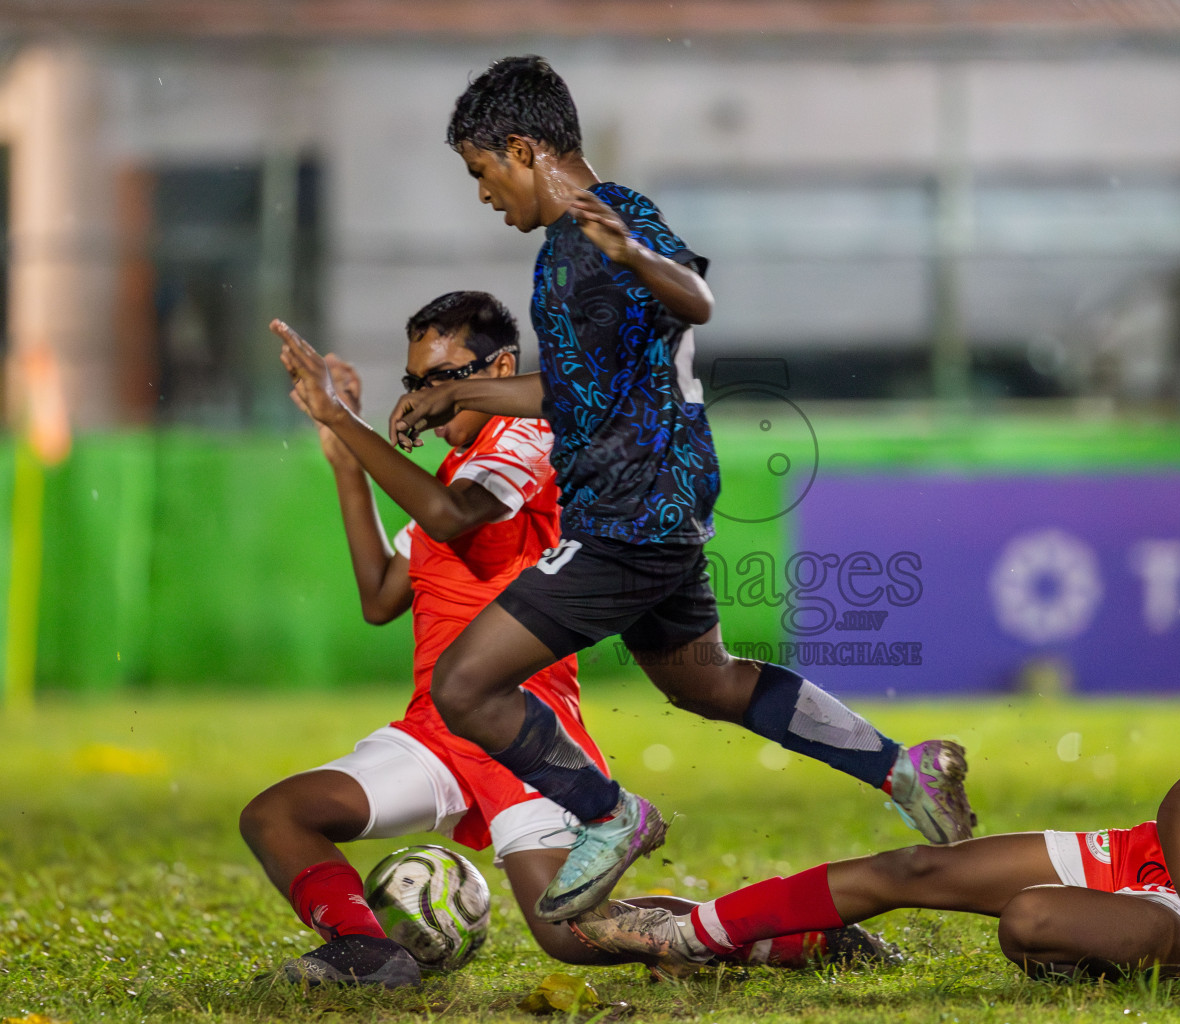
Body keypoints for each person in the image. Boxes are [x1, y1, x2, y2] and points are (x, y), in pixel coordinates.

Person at [383, 55, 975, 924]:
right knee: (707, 683)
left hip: (629, 516)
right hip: (656, 508)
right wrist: (459, 392)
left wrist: (636, 255)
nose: (482, 195)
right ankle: (901, 769)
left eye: (481, 174)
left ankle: (607, 815)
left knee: (466, 685)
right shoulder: (570, 245)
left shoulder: (609, 219)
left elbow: (695, 299)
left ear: (519, 147)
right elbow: (579, 394)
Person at [249, 292, 869, 987]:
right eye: (414, 382)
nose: (424, 399)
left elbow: (453, 517)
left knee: (573, 935)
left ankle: (801, 933)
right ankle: (368, 952)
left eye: (441, 378)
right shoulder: (450, 472)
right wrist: (345, 458)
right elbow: (380, 598)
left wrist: (343, 417)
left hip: (519, 727)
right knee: (279, 814)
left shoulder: (528, 441)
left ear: (501, 367)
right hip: (438, 731)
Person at [573, 576, 1180, 985]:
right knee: (912, 871)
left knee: (1033, 922)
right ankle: (690, 933)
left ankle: (1090, 950)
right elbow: (1179, 810)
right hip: (1156, 866)